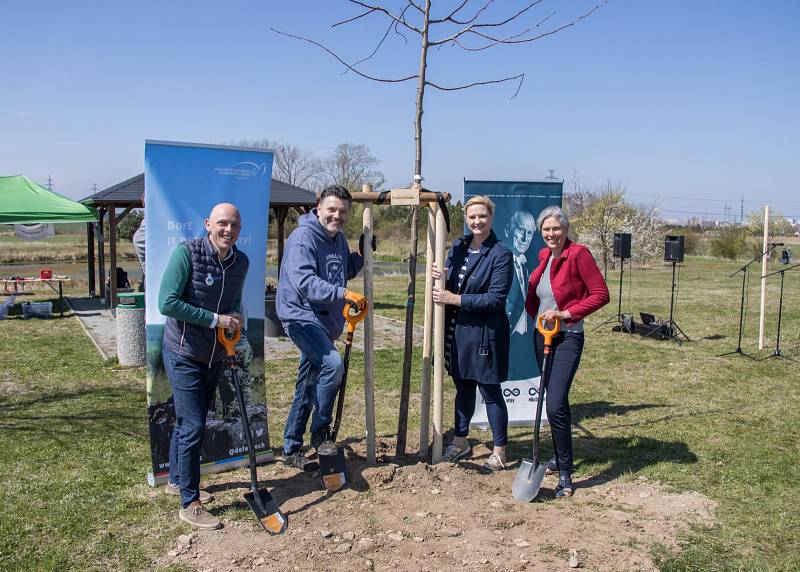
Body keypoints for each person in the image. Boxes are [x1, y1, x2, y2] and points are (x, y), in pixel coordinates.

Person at [158, 203, 248, 529]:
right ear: (208, 224)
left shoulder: (242, 262)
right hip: (183, 352)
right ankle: (190, 502)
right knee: (194, 426)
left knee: (188, 421)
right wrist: (214, 320)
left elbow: (233, 300)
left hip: (216, 355)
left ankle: (176, 479)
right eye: (222, 223)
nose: (228, 230)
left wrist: (235, 315)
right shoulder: (188, 254)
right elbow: (166, 302)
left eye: (234, 225)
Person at [276, 185, 368, 471]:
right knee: (333, 364)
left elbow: (341, 271)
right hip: (300, 316)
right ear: (319, 208)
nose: (336, 216)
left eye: (342, 211)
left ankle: (291, 448)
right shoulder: (303, 238)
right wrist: (343, 294)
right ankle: (320, 432)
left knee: (307, 385)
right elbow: (305, 282)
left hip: (323, 321)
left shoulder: (338, 238)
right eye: (331, 209)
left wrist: (361, 254)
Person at [524, 205, 609, 497]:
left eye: (556, 229)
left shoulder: (579, 254)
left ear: (566, 229)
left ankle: (565, 474)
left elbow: (601, 294)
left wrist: (567, 314)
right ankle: (559, 456)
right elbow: (537, 295)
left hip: (568, 337)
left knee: (555, 403)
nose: (551, 234)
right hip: (542, 335)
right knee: (555, 401)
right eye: (546, 229)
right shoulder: (544, 256)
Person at [432, 195, 513, 471]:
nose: (477, 221)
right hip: (458, 332)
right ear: (466, 220)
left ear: (491, 218)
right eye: (472, 217)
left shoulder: (501, 254)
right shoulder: (458, 246)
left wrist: (453, 298)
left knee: (490, 392)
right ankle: (460, 440)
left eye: (482, 216)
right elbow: (450, 277)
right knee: (462, 388)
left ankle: (500, 449)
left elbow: (495, 299)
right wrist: (439, 273)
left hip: (485, 335)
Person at [503, 210, 538, 381]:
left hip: (526, 341)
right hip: (505, 335)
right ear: (508, 230)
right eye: (520, 230)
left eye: (530, 233)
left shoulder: (530, 264)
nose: (525, 238)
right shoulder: (498, 260)